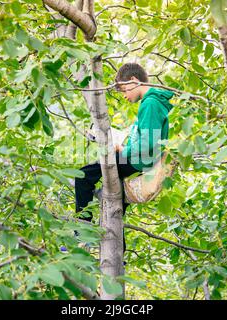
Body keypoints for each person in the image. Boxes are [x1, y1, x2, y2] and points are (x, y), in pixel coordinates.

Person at [73, 62, 174, 252]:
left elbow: (147, 144)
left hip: (138, 160)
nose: (124, 96)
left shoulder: (151, 103)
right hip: (138, 158)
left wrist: (121, 151)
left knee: (83, 175)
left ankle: (82, 233)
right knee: (115, 204)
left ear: (133, 81)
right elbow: (145, 138)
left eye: (123, 90)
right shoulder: (152, 101)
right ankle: (119, 251)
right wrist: (124, 146)